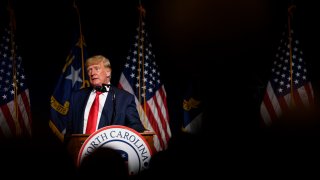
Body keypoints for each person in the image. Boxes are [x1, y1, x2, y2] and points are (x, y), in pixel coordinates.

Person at [65, 55, 145, 136]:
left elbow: (136, 127)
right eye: (89, 70)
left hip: (109, 147)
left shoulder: (125, 98)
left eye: (97, 68)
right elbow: (69, 131)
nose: (92, 73)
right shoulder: (76, 97)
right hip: (80, 147)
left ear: (108, 72)